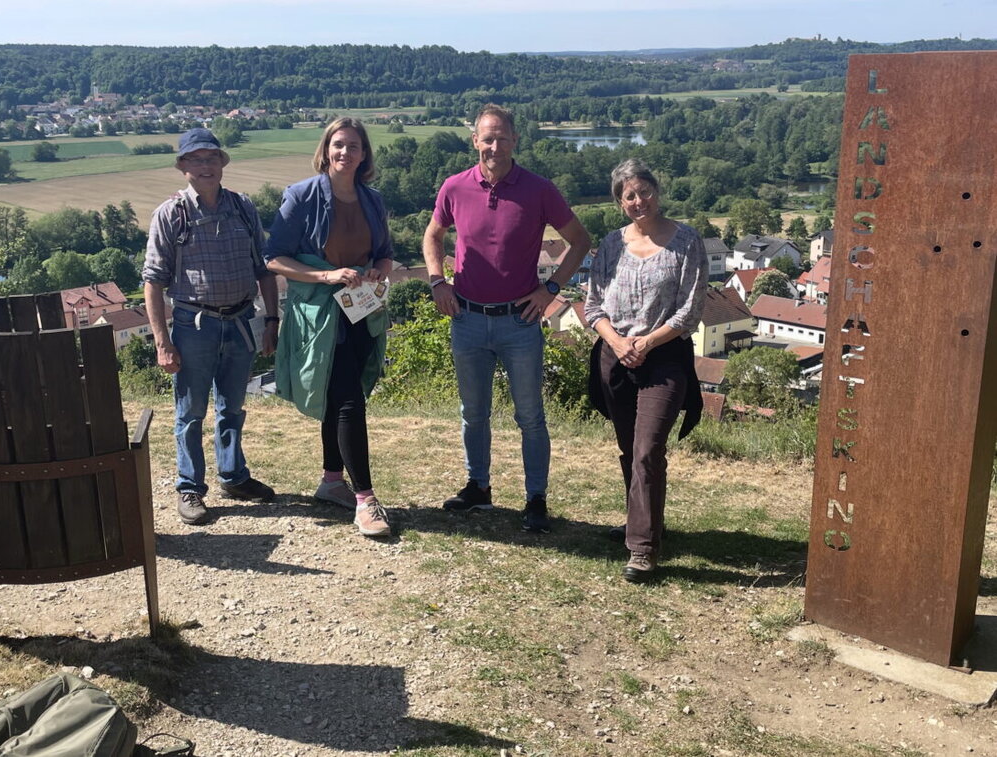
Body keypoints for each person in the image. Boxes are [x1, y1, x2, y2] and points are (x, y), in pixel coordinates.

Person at [423, 103, 591, 533]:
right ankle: (478, 487)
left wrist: (550, 289)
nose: (494, 145)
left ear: (515, 140)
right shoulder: (455, 187)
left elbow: (579, 241)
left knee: (530, 415)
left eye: (502, 137)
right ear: (475, 141)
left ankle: (536, 498)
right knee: (472, 412)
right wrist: (437, 282)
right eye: (487, 138)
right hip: (468, 318)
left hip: (519, 321)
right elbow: (433, 235)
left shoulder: (539, 189)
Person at [143, 127, 280, 526]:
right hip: (192, 324)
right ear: (183, 166)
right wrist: (162, 342)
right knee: (190, 412)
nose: (205, 166)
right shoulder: (171, 214)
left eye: (211, 158)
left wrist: (271, 320)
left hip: (240, 321)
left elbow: (263, 269)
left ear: (222, 163)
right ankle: (190, 488)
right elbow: (152, 281)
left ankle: (234, 477)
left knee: (232, 407)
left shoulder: (242, 207)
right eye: (196, 159)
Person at [264, 117, 393, 538]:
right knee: (349, 401)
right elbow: (274, 258)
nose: (345, 153)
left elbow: (385, 255)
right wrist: (325, 276)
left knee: (340, 396)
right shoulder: (300, 196)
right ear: (326, 149)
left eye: (353, 146)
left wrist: (376, 272)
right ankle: (365, 500)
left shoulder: (372, 200)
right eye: (338, 145)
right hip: (320, 314)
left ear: (364, 154)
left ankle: (331, 481)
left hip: (359, 312)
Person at [583, 158, 707, 582]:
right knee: (629, 449)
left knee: (648, 449)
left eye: (645, 191)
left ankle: (642, 547)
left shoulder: (687, 241)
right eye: (629, 195)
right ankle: (643, 522)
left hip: (665, 357)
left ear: (657, 190)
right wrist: (618, 343)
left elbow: (690, 310)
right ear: (620, 202)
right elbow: (593, 306)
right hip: (614, 358)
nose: (640, 201)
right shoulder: (610, 245)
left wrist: (646, 343)